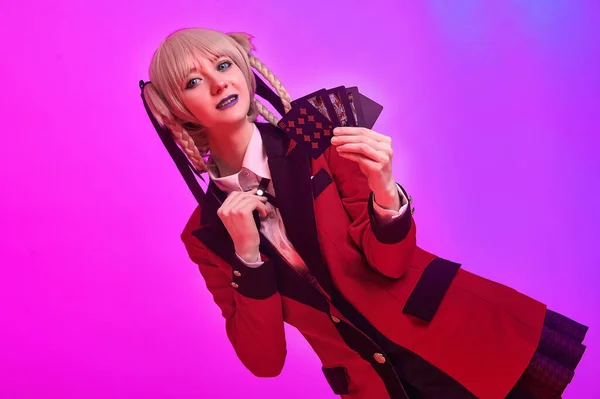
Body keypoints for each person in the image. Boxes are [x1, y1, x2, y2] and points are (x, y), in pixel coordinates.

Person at [140, 27, 588, 399]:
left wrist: (385, 189)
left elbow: (389, 263)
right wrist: (248, 256)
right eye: (192, 81)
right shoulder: (203, 235)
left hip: (455, 338)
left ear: (244, 70)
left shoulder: (317, 139)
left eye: (223, 65)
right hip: (374, 386)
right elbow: (264, 361)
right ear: (175, 110)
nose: (218, 83)